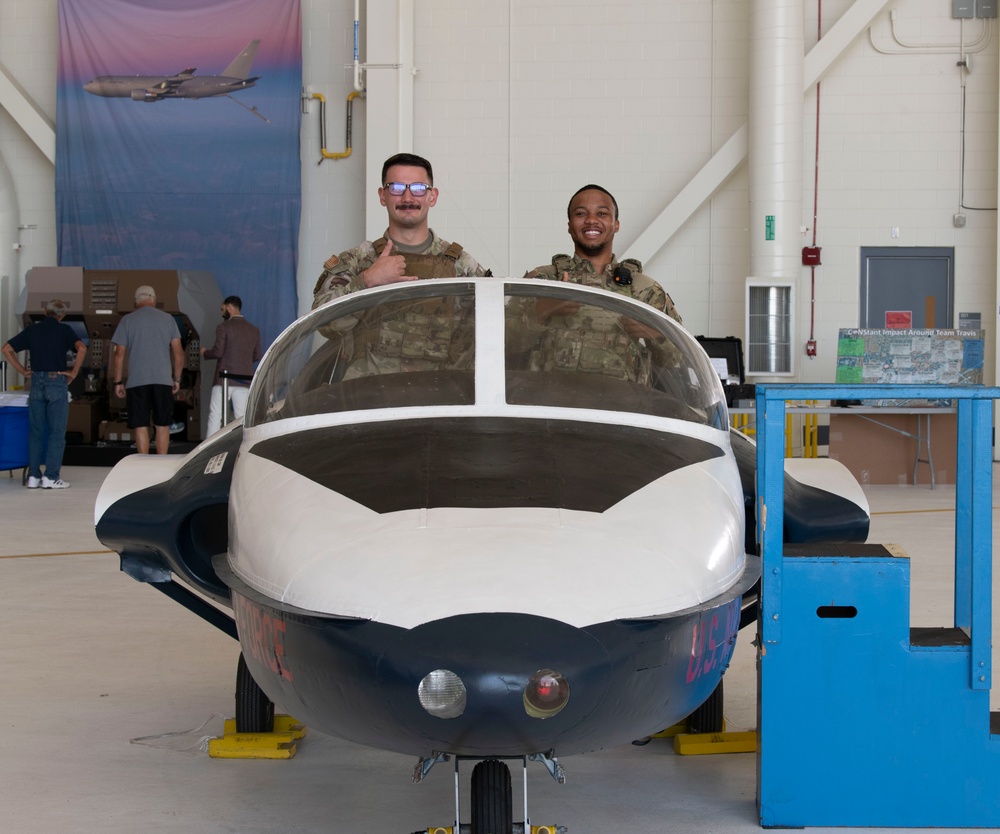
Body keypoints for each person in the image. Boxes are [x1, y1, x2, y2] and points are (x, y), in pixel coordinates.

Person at [311, 152, 491, 377]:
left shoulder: (461, 265)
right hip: (369, 398)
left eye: (418, 188)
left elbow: (497, 327)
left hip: (442, 396)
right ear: (382, 196)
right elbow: (323, 324)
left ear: (432, 197)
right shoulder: (358, 260)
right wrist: (366, 281)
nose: (408, 198)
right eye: (396, 188)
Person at [514, 185, 684, 381]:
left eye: (602, 213)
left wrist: (656, 335)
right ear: (569, 226)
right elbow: (502, 346)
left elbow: (677, 360)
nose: (591, 220)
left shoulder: (644, 289)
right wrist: (540, 311)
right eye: (581, 213)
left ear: (616, 224)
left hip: (621, 408)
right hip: (552, 407)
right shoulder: (542, 281)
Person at [1, 298, 87, 489]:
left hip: (36, 382)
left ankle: (33, 476)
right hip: (56, 381)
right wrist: (73, 373)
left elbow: (6, 349)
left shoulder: (33, 330)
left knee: (35, 432)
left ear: (45, 312)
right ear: (61, 315)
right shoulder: (64, 330)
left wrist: (23, 371)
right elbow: (82, 348)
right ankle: (51, 476)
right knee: (57, 432)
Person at [110, 285, 184, 455]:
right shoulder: (168, 319)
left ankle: (143, 462)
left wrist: (118, 381)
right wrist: (177, 379)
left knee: (140, 423)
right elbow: (178, 353)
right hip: (163, 381)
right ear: (154, 300)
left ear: (136, 302)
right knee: (162, 424)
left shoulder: (127, 320)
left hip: (137, 381)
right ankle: (161, 461)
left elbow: (119, 354)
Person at [199, 296, 263, 434]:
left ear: (229, 307)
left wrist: (204, 353)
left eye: (222, 309)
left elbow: (217, 352)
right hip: (244, 379)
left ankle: (210, 450)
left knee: (215, 415)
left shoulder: (224, 327)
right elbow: (257, 355)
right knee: (241, 418)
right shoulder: (254, 330)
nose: (222, 313)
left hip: (224, 378)